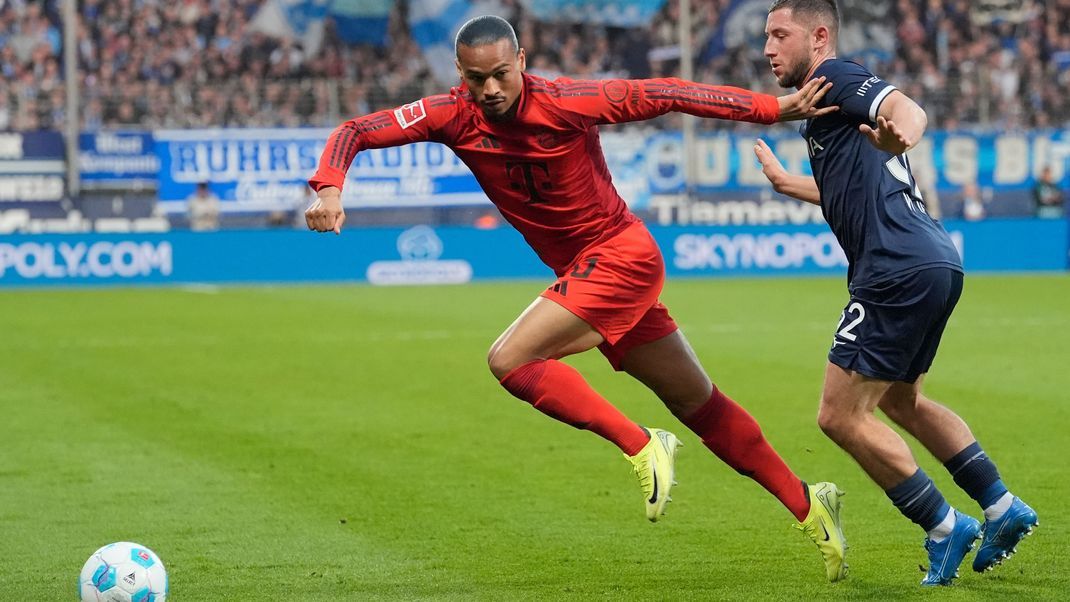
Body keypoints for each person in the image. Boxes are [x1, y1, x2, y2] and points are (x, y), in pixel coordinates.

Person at [306, 15, 849, 582]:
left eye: (499, 75)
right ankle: (810, 503)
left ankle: (641, 444)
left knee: (510, 359)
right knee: (699, 403)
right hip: (593, 270)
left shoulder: (569, 100)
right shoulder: (450, 114)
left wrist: (771, 108)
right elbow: (355, 131)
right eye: (475, 79)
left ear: (521, 63)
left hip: (619, 256)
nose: (489, 90)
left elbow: (669, 92)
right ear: (459, 75)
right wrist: (329, 185)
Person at [753, 0, 1037, 587]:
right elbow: (849, 187)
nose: (768, 49)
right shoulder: (825, 107)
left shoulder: (837, 76)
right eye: (766, 37)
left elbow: (905, 110)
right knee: (901, 402)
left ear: (820, 36)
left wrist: (903, 129)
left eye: (780, 35)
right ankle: (1003, 508)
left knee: (838, 415)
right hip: (932, 260)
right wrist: (789, 184)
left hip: (893, 268)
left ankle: (943, 525)